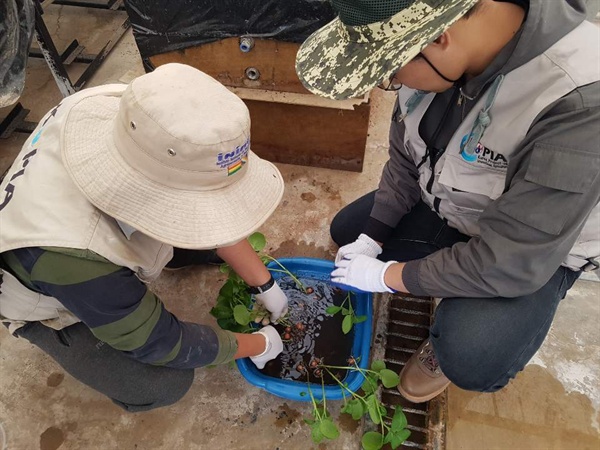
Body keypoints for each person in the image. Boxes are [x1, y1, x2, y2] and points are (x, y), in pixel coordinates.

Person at [295, 0, 600, 403]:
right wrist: (374, 235)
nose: (389, 81)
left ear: (438, 36)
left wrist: (387, 277)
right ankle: (444, 266)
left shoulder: (578, 103)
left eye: (388, 71)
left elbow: (508, 261)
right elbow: (406, 157)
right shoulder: (443, 57)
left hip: (538, 252)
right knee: (350, 230)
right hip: (460, 208)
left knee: (473, 351)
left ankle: (447, 346)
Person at [0, 63, 288, 411]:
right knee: (162, 383)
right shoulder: (73, 254)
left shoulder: (136, 115)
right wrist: (259, 343)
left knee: (197, 231)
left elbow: (206, 190)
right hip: (37, 293)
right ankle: (51, 335)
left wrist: (265, 284)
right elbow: (159, 342)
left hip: (69, 248)